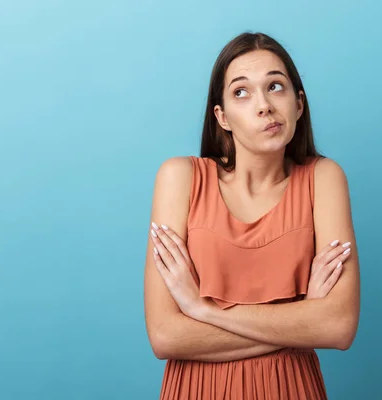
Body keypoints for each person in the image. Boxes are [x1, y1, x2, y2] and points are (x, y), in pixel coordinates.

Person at [143, 32, 360, 399]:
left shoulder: (324, 178)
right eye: (241, 92)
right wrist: (302, 316)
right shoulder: (179, 178)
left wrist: (201, 309)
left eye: (276, 87)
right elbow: (166, 336)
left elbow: (337, 326)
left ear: (299, 104)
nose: (264, 106)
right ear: (222, 117)